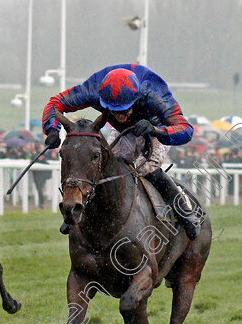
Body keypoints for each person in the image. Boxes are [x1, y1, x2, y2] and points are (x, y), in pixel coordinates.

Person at [41, 63, 201, 239]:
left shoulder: (155, 95)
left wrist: (156, 131)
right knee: (105, 166)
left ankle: (185, 212)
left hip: (155, 129)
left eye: (124, 110)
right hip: (123, 131)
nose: (119, 115)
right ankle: (77, 210)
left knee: (144, 169)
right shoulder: (93, 89)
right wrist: (52, 129)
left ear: (136, 99)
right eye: (113, 111)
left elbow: (185, 129)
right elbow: (56, 102)